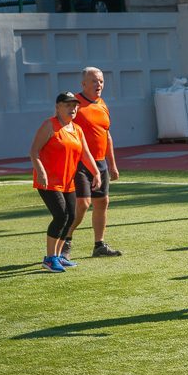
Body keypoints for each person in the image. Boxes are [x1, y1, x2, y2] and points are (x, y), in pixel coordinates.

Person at [29, 92, 101, 273]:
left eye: (75, 105)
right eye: (68, 105)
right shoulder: (49, 125)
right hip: (48, 182)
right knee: (60, 216)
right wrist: (41, 172)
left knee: (71, 217)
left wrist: (96, 173)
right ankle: (49, 258)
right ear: (58, 107)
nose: (73, 108)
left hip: (68, 182)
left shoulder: (76, 129)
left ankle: (59, 255)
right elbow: (34, 152)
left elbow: (85, 154)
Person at [63, 67, 122, 259]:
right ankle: (65, 240)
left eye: (102, 81)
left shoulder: (102, 104)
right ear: (84, 84)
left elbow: (106, 135)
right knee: (82, 204)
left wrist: (112, 164)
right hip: (80, 163)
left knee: (102, 202)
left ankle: (99, 245)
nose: (99, 85)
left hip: (100, 163)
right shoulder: (74, 105)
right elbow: (62, 130)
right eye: (95, 81)